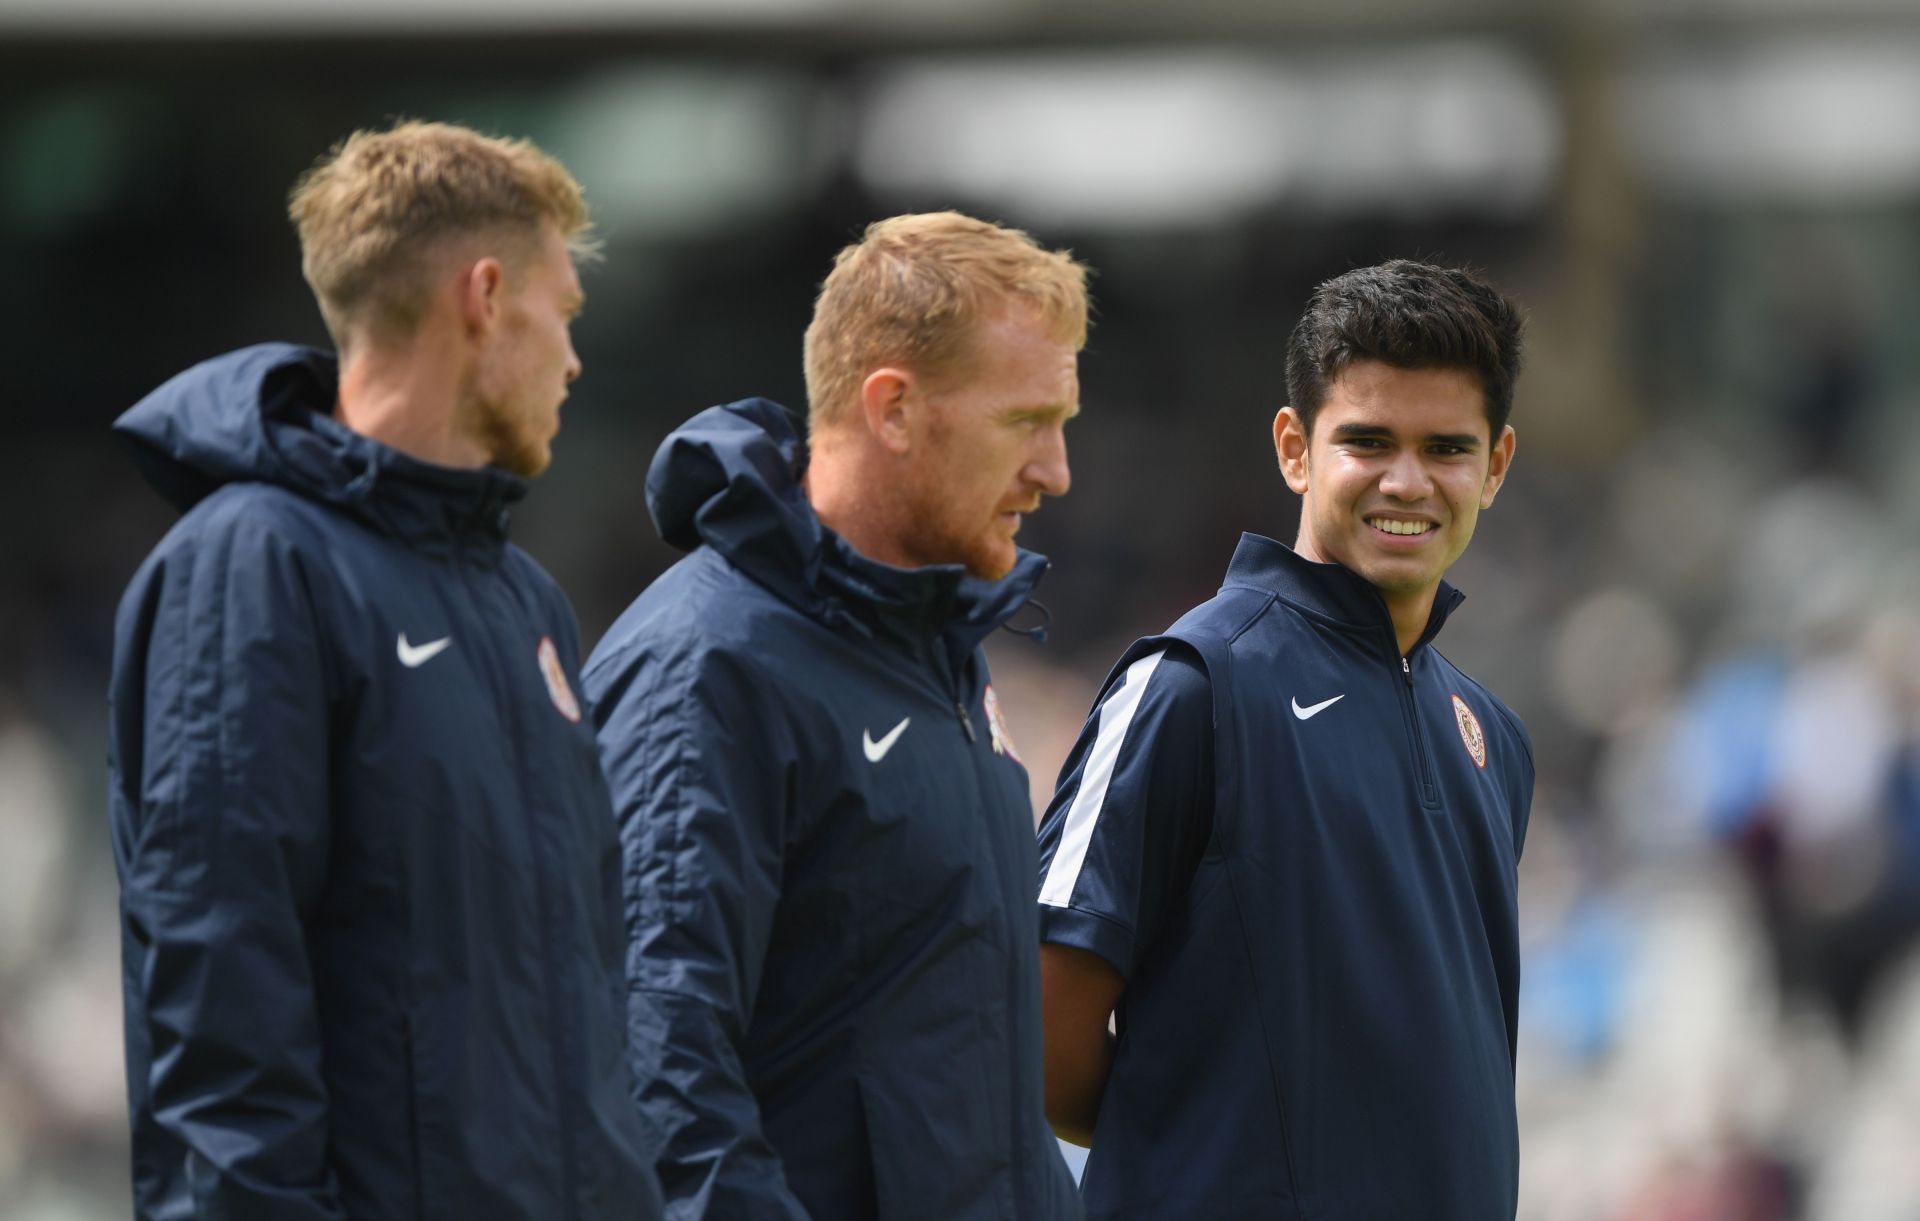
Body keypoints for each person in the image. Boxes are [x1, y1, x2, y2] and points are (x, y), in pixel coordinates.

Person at [106, 121, 662, 1220]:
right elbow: (222, 1013)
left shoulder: (525, 602)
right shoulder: (253, 568)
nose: (573, 356)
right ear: (485, 296)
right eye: (565, 312)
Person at [585, 211, 1087, 1219]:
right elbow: (661, 1087)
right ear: (893, 409)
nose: (1056, 471)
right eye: (1024, 422)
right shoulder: (706, 667)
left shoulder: (936, 655)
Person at [1037, 260, 1532, 1219]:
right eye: (1368, 440)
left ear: (1497, 465)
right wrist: (1209, 1147)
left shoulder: (1492, 738)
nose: (1407, 480)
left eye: (1446, 447)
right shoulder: (1190, 685)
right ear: (1295, 449)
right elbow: (1043, 1024)